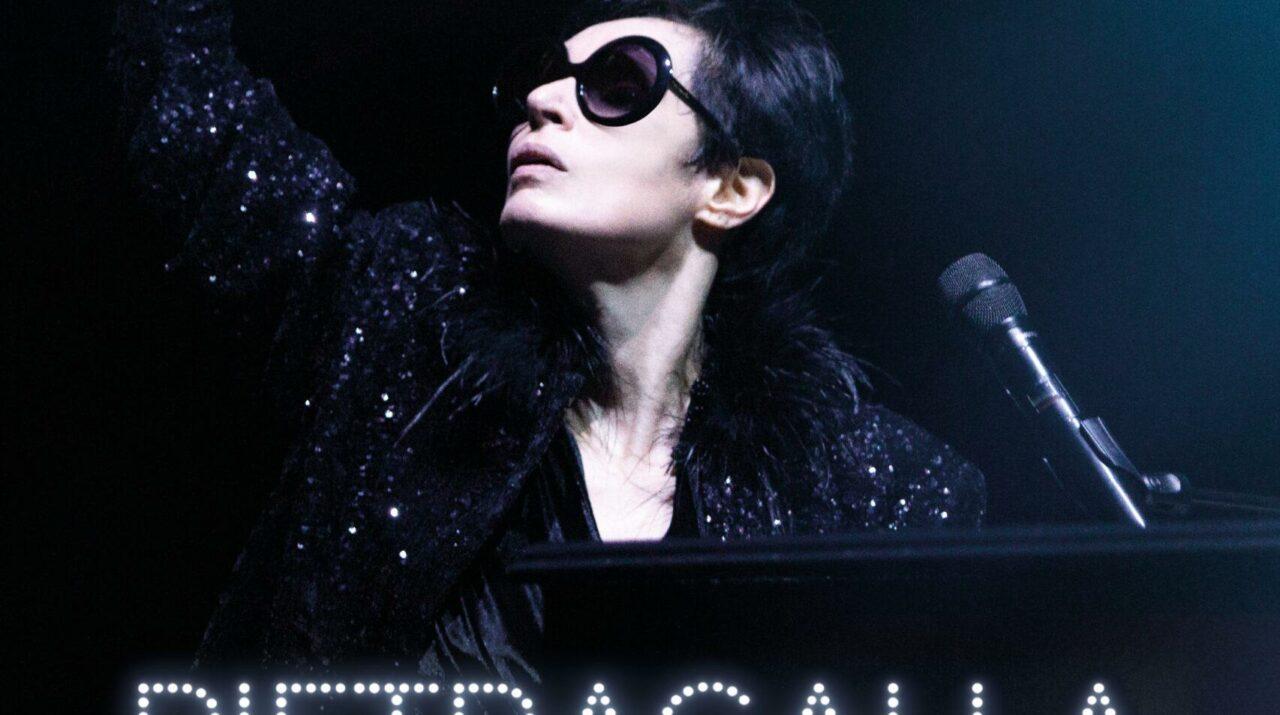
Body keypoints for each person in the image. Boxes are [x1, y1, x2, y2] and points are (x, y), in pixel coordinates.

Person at [113, 0, 986, 690]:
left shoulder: (861, 485)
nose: (543, 100)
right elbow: (199, 121)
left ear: (731, 187)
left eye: (617, 84)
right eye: (544, 77)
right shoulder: (406, 324)